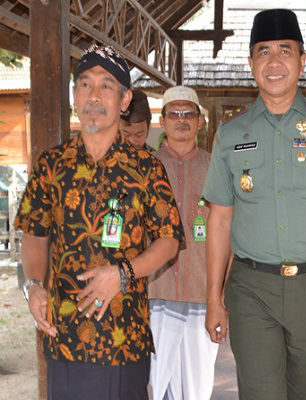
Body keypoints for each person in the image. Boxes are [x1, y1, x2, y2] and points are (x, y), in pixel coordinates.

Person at [203, 9, 306, 400]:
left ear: (302, 61)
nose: (274, 62)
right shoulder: (230, 133)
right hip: (251, 289)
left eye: (285, 51)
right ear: (250, 63)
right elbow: (220, 221)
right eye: (263, 52)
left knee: (304, 395)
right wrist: (213, 296)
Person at [14, 44, 184, 400]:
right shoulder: (50, 165)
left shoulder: (146, 168)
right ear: (75, 95)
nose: (94, 95)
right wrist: (33, 285)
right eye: (85, 84)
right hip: (64, 335)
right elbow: (34, 235)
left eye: (107, 85)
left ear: (125, 100)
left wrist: (122, 273)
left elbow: (168, 241)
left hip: (124, 336)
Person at [148, 85, 217, 400]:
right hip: (153, 294)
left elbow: (227, 232)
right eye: (173, 114)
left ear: (200, 122)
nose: (181, 120)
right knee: (154, 388)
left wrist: (221, 295)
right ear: (162, 122)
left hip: (201, 297)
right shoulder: (144, 169)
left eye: (188, 114)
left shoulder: (216, 169)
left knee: (196, 391)